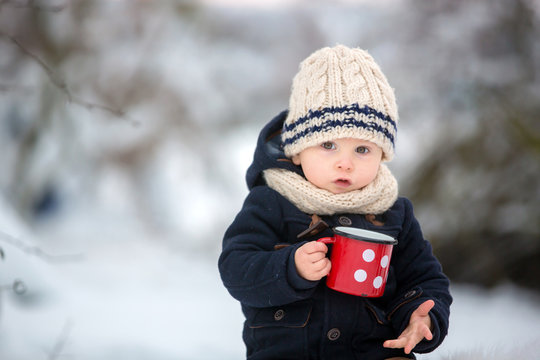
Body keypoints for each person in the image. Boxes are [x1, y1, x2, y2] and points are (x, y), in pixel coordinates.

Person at [218, 45, 452, 359]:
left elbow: (423, 278)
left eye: (363, 150)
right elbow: (236, 268)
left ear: (382, 155)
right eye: (329, 145)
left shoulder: (394, 214)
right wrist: (290, 268)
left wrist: (421, 316)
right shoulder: (271, 203)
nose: (346, 163)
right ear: (298, 150)